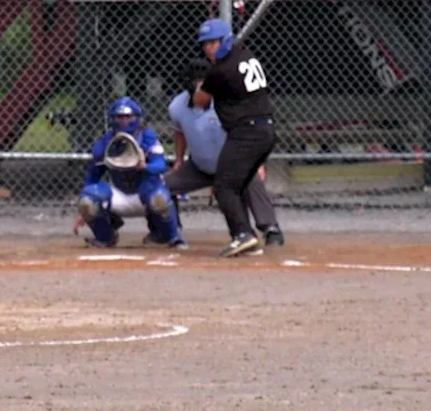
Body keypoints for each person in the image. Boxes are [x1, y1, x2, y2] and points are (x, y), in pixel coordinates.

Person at [165, 58, 284, 251]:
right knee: (163, 187)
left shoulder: (227, 103)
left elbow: (248, 134)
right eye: (195, 80)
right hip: (200, 166)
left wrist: (258, 162)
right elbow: (179, 131)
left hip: (231, 162)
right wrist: (179, 159)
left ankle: (270, 228)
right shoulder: (177, 107)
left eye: (203, 80)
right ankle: (169, 231)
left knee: (251, 177)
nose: (199, 85)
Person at [194, 18, 275, 258]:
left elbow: (200, 102)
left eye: (213, 43)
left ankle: (242, 235)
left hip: (247, 132)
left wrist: (200, 86)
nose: (209, 48)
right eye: (205, 44)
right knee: (236, 185)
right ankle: (246, 236)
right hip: (265, 130)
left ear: (225, 40)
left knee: (223, 186)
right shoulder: (247, 56)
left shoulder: (219, 70)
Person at [71, 97, 185, 250]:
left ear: (137, 118)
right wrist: (82, 211)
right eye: (119, 117)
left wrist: (145, 167)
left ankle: (169, 236)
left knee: (159, 198)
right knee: (87, 201)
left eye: (128, 117)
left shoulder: (147, 137)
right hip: (120, 191)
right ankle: (106, 237)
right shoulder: (106, 141)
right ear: (112, 119)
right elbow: (93, 174)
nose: (123, 121)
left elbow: (160, 165)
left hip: (145, 192)